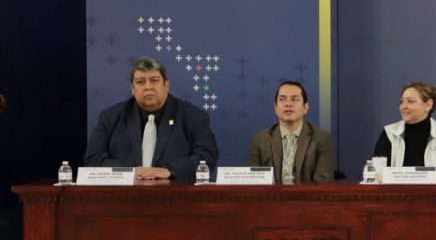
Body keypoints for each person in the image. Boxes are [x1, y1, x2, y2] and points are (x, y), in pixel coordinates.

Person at [83, 57, 218, 181]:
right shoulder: (111, 117)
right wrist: (127, 173)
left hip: (174, 195)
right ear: (132, 89)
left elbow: (206, 156)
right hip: (125, 195)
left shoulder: (193, 116)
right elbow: (93, 158)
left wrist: (169, 170)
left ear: (166, 85)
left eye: (154, 80)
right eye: (140, 82)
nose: (148, 87)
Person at [373, 81, 436, 181]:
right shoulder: (389, 134)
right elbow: (377, 177)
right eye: (402, 102)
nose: (403, 107)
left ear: (428, 105)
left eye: (410, 101)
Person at [247, 81, 335, 184]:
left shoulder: (321, 139)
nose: (288, 104)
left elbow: (322, 183)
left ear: (306, 107)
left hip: (308, 195)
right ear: (275, 107)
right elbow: (254, 181)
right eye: (282, 99)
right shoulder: (260, 139)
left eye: (294, 99)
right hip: (271, 194)